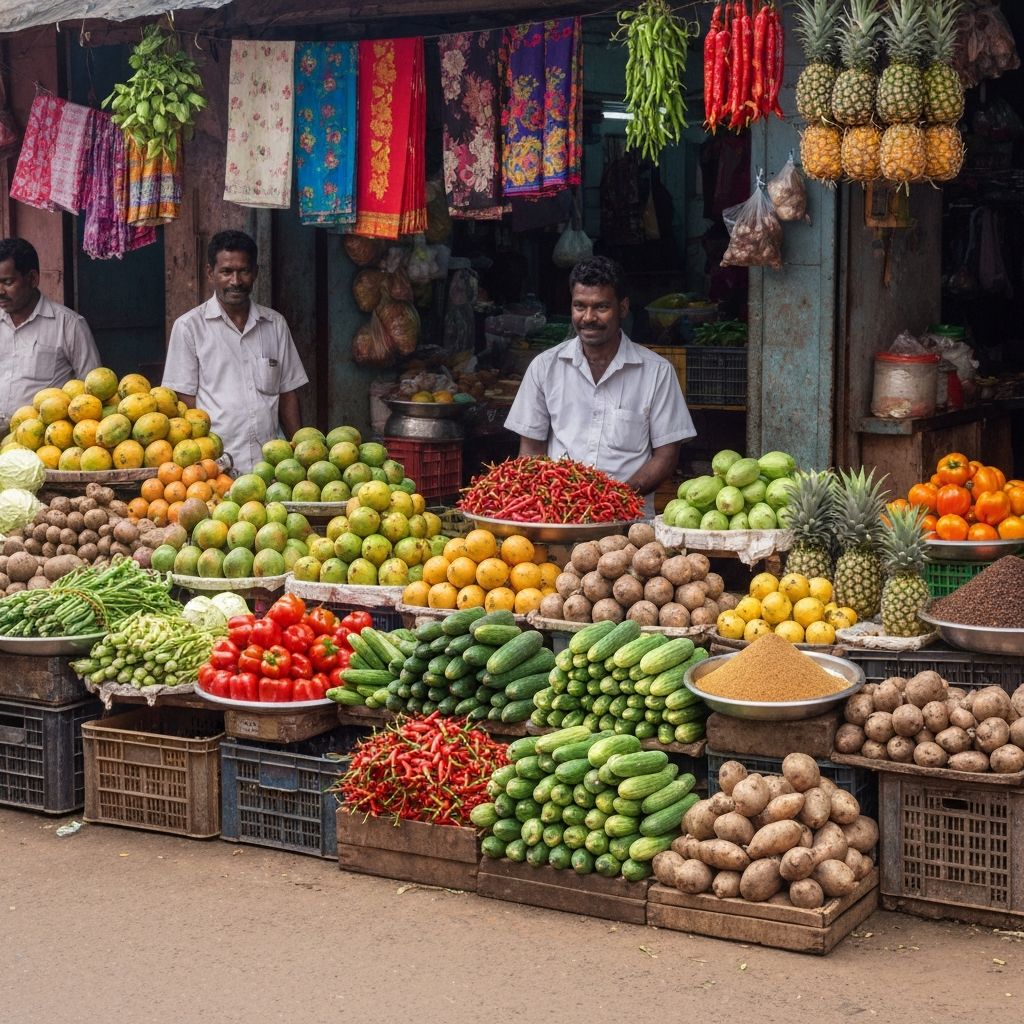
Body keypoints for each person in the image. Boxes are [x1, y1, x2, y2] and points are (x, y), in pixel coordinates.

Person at [503, 255, 695, 515]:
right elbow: (531, 452)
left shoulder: (657, 372)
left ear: (623, 308)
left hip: (628, 521)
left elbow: (666, 456)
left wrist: (613, 500)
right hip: (560, 517)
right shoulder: (544, 367)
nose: (588, 317)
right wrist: (545, 503)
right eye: (579, 306)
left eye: (601, 307)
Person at [162, 230, 308, 472]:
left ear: (256, 273)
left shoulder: (274, 324)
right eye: (226, 271)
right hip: (215, 465)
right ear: (210, 272)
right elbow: (183, 400)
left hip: (271, 464)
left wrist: (301, 456)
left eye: (244, 271)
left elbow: (287, 394)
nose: (236, 281)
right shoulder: (189, 327)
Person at [0, 238, 101, 431]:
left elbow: (93, 391)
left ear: (32, 279)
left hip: (44, 440)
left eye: (8, 282)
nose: (0, 291)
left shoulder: (70, 325)